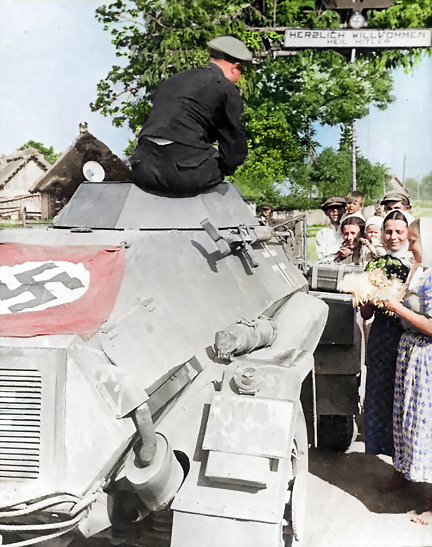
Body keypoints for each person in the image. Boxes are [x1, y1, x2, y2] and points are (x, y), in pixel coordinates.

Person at [130, 36, 252, 195]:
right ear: (236, 67)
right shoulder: (226, 88)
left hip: (143, 170)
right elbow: (233, 147)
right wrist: (228, 166)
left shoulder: (173, 80)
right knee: (219, 163)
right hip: (184, 177)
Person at [379, 217, 432, 525]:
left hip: (426, 357)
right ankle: (403, 473)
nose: (410, 246)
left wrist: (398, 309)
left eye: (414, 241)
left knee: (426, 425)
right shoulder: (421, 271)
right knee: (405, 418)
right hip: (409, 353)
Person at [360, 210, 413, 460]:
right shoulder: (375, 264)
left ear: (408, 233)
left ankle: (407, 461)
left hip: (409, 335)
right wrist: (370, 296)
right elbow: (365, 313)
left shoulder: (417, 264)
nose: (393, 237)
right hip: (382, 335)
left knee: (405, 398)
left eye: (399, 232)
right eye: (388, 231)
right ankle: (388, 454)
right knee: (381, 394)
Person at [316, 197, 346, 262]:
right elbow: (321, 256)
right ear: (326, 212)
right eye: (331, 208)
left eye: (338, 208)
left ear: (344, 210)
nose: (335, 211)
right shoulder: (322, 233)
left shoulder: (348, 231)